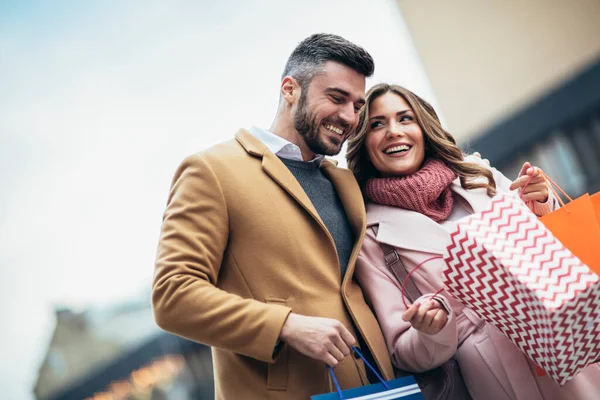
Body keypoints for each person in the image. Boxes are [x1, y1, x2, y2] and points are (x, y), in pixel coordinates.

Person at [152, 34, 394, 400]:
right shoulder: (212, 171)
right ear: (290, 89)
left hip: (380, 388)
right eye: (337, 98)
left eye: (358, 105)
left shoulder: (344, 181)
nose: (349, 117)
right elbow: (173, 294)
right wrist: (287, 326)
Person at [345, 83, 600, 400]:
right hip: (493, 374)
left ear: (424, 128)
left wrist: (542, 203)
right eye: (376, 124)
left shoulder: (478, 176)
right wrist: (432, 329)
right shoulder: (370, 235)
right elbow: (401, 350)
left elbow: (554, 257)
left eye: (405, 118)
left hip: (562, 342)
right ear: (363, 142)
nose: (393, 132)